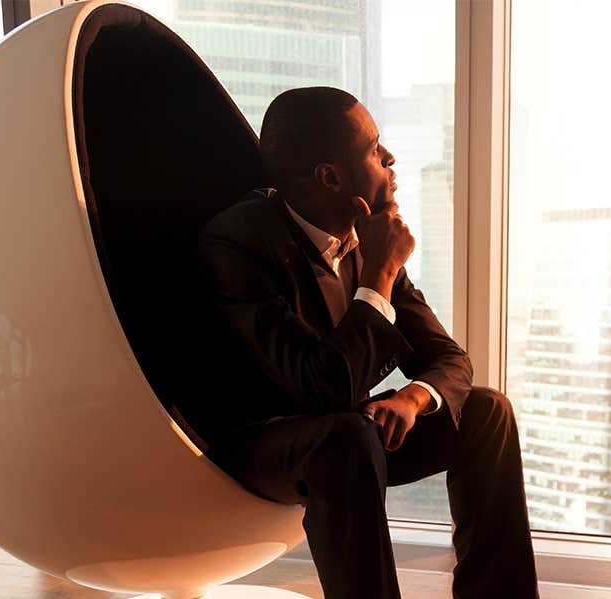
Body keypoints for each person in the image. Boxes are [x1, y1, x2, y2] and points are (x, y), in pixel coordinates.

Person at [195, 86, 538, 599]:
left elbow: (449, 358)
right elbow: (320, 388)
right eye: (376, 149)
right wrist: (380, 273)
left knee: (488, 412)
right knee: (347, 437)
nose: (391, 158)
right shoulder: (239, 243)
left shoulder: (362, 241)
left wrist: (411, 398)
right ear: (330, 177)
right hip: (261, 440)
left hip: (343, 433)